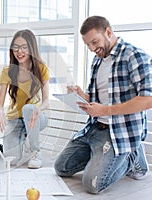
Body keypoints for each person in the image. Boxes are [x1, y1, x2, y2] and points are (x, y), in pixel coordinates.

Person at [54, 15, 152, 194]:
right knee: (61, 167)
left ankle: (132, 157)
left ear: (108, 32)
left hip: (119, 131)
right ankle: (103, 156)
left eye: (94, 42)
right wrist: (82, 96)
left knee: (92, 185)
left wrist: (105, 110)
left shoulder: (134, 56)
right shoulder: (98, 60)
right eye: (88, 45)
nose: (92, 49)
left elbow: (148, 100)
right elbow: (99, 98)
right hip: (94, 129)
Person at [0, 29, 50, 169]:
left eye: (24, 47)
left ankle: (35, 151)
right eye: (16, 47)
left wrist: (39, 109)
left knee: (28, 109)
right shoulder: (7, 71)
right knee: (12, 161)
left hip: (36, 117)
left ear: (31, 48)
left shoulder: (41, 69)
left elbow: (46, 100)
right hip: (15, 120)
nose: (19, 51)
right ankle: (23, 140)